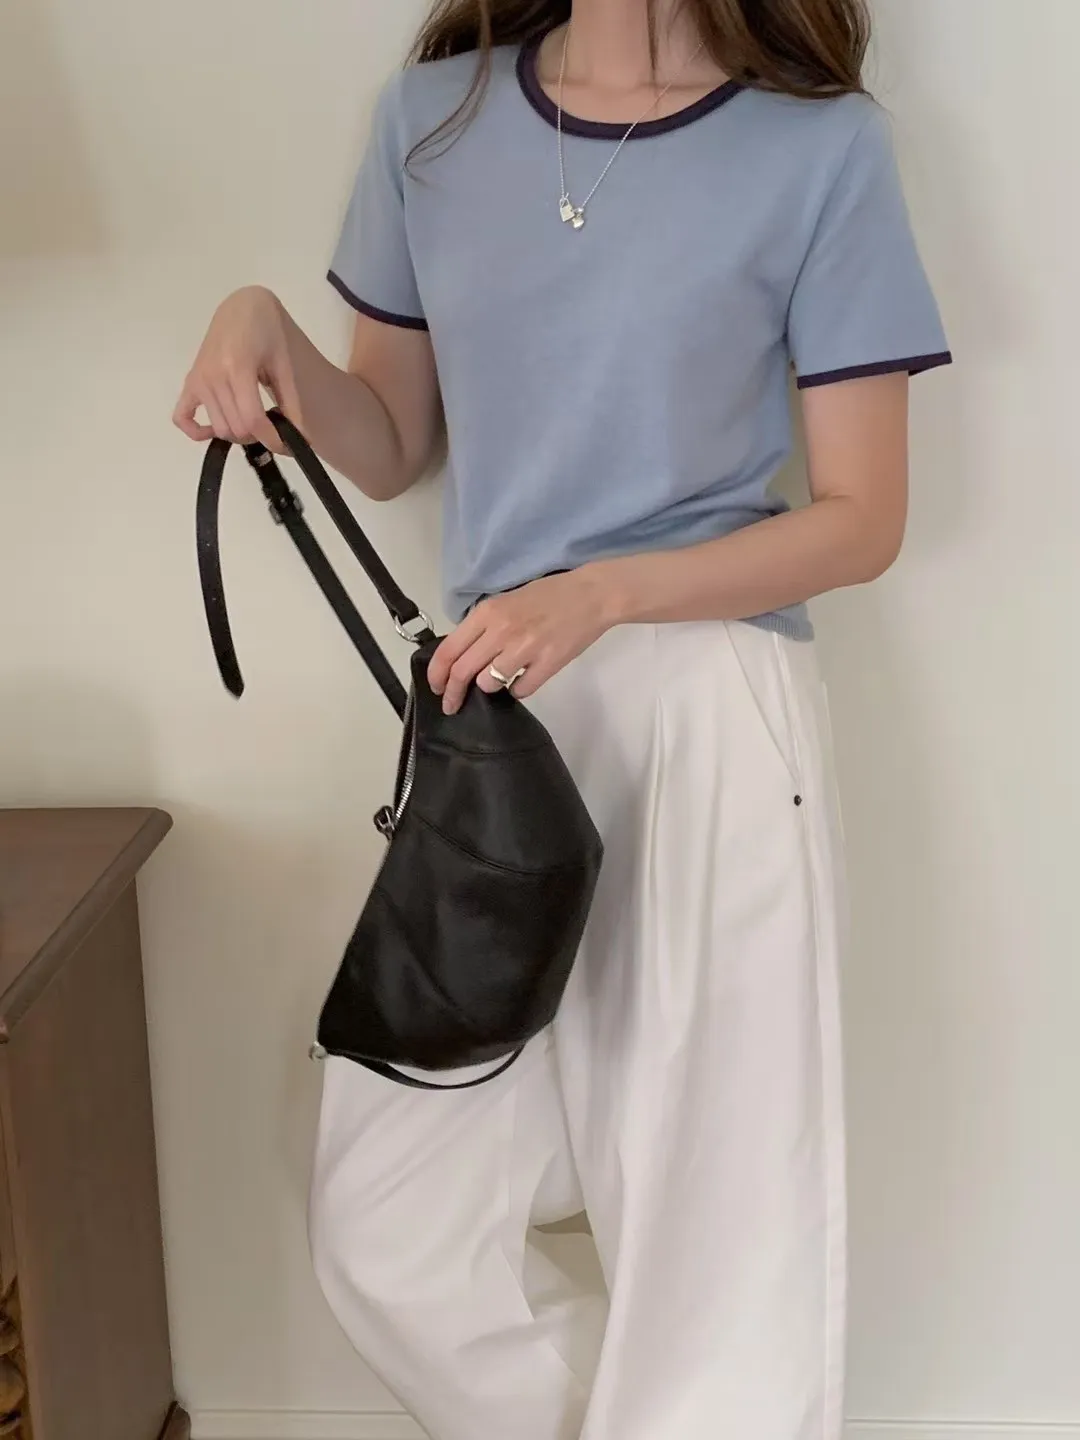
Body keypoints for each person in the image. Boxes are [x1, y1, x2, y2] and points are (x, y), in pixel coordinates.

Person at [175, 1, 950, 1436]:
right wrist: (265, 330)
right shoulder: (434, 122)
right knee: (392, 1223)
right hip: (498, 724)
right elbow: (391, 443)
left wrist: (604, 595)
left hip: (711, 705)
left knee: (716, 1240)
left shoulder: (820, 148)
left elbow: (863, 520)